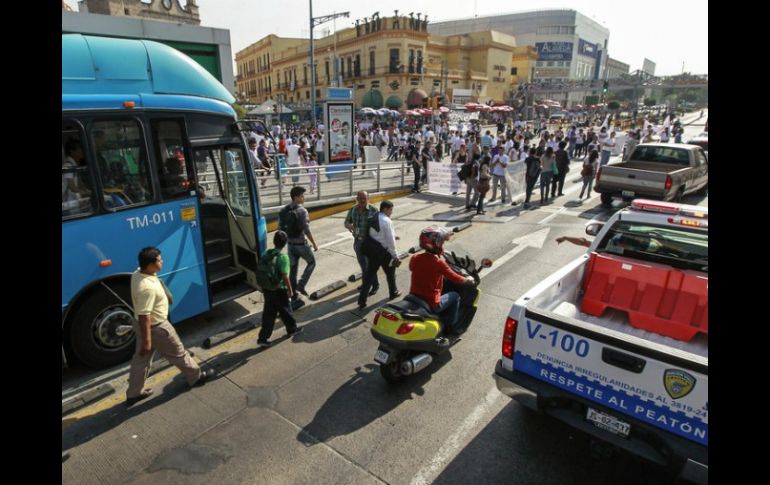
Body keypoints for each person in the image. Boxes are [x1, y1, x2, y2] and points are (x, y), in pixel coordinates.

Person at [126, 247, 213, 406]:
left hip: (141, 325)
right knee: (178, 353)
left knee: (141, 359)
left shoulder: (137, 273)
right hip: (156, 327)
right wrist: (147, 341)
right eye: (159, 260)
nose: (162, 262)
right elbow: (145, 316)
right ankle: (196, 377)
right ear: (151, 264)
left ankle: (134, 392)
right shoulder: (147, 288)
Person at [409, 226, 474, 335]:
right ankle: (451, 326)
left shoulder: (415, 258)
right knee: (455, 296)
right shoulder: (439, 263)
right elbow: (455, 277)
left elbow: (416, 269)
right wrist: (468, 280)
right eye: (441, 242)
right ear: (435, 243)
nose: (442, 245)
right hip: (432, 303)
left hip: (414, 297)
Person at [257, 231, 304, 347]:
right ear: (285, 243)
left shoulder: (267, 254)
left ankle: (263, 339)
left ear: (274, 242)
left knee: (269, 314)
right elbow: (285, 276)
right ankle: (292, 329)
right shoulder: (283, 257)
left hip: (268, 289)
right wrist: (290, 290)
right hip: (279, 290)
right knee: (286, 311)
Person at [357, 200, 401, 308]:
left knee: (369, 276)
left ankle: (362, 300)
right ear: (385, 209)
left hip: (373, 252)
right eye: (391, 210)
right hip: (384, 253)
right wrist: (395, 256)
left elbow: (375, 234)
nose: (391, 212)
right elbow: (390, 242)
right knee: (390, 273)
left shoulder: (373, 217)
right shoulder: (387, 221)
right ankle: (393, 292)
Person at [282, 186, 318, 300]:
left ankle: (293, 294)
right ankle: (301, 285)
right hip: (301, 245)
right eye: (302, 196)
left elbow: (281, 228)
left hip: (290, 245)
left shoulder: (285, 209)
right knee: (312, 262)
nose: (303, 198)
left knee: (293, 270)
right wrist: (314, 244)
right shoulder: (302, 210)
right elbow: (306, 230)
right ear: (296, 197)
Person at [344, 191, 380, 296]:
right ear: (357, 199)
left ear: (368, 198)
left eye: (364, 198)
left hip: (369, 242)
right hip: (358, 241)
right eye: (360, 198)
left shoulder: (373, 210)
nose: (362, 200)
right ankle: (366, 283)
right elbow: (346, 221)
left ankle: (375, 285)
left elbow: (380, 226)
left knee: (370, 266)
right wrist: (349, 225)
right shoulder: (353, 209)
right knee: (363, 265)